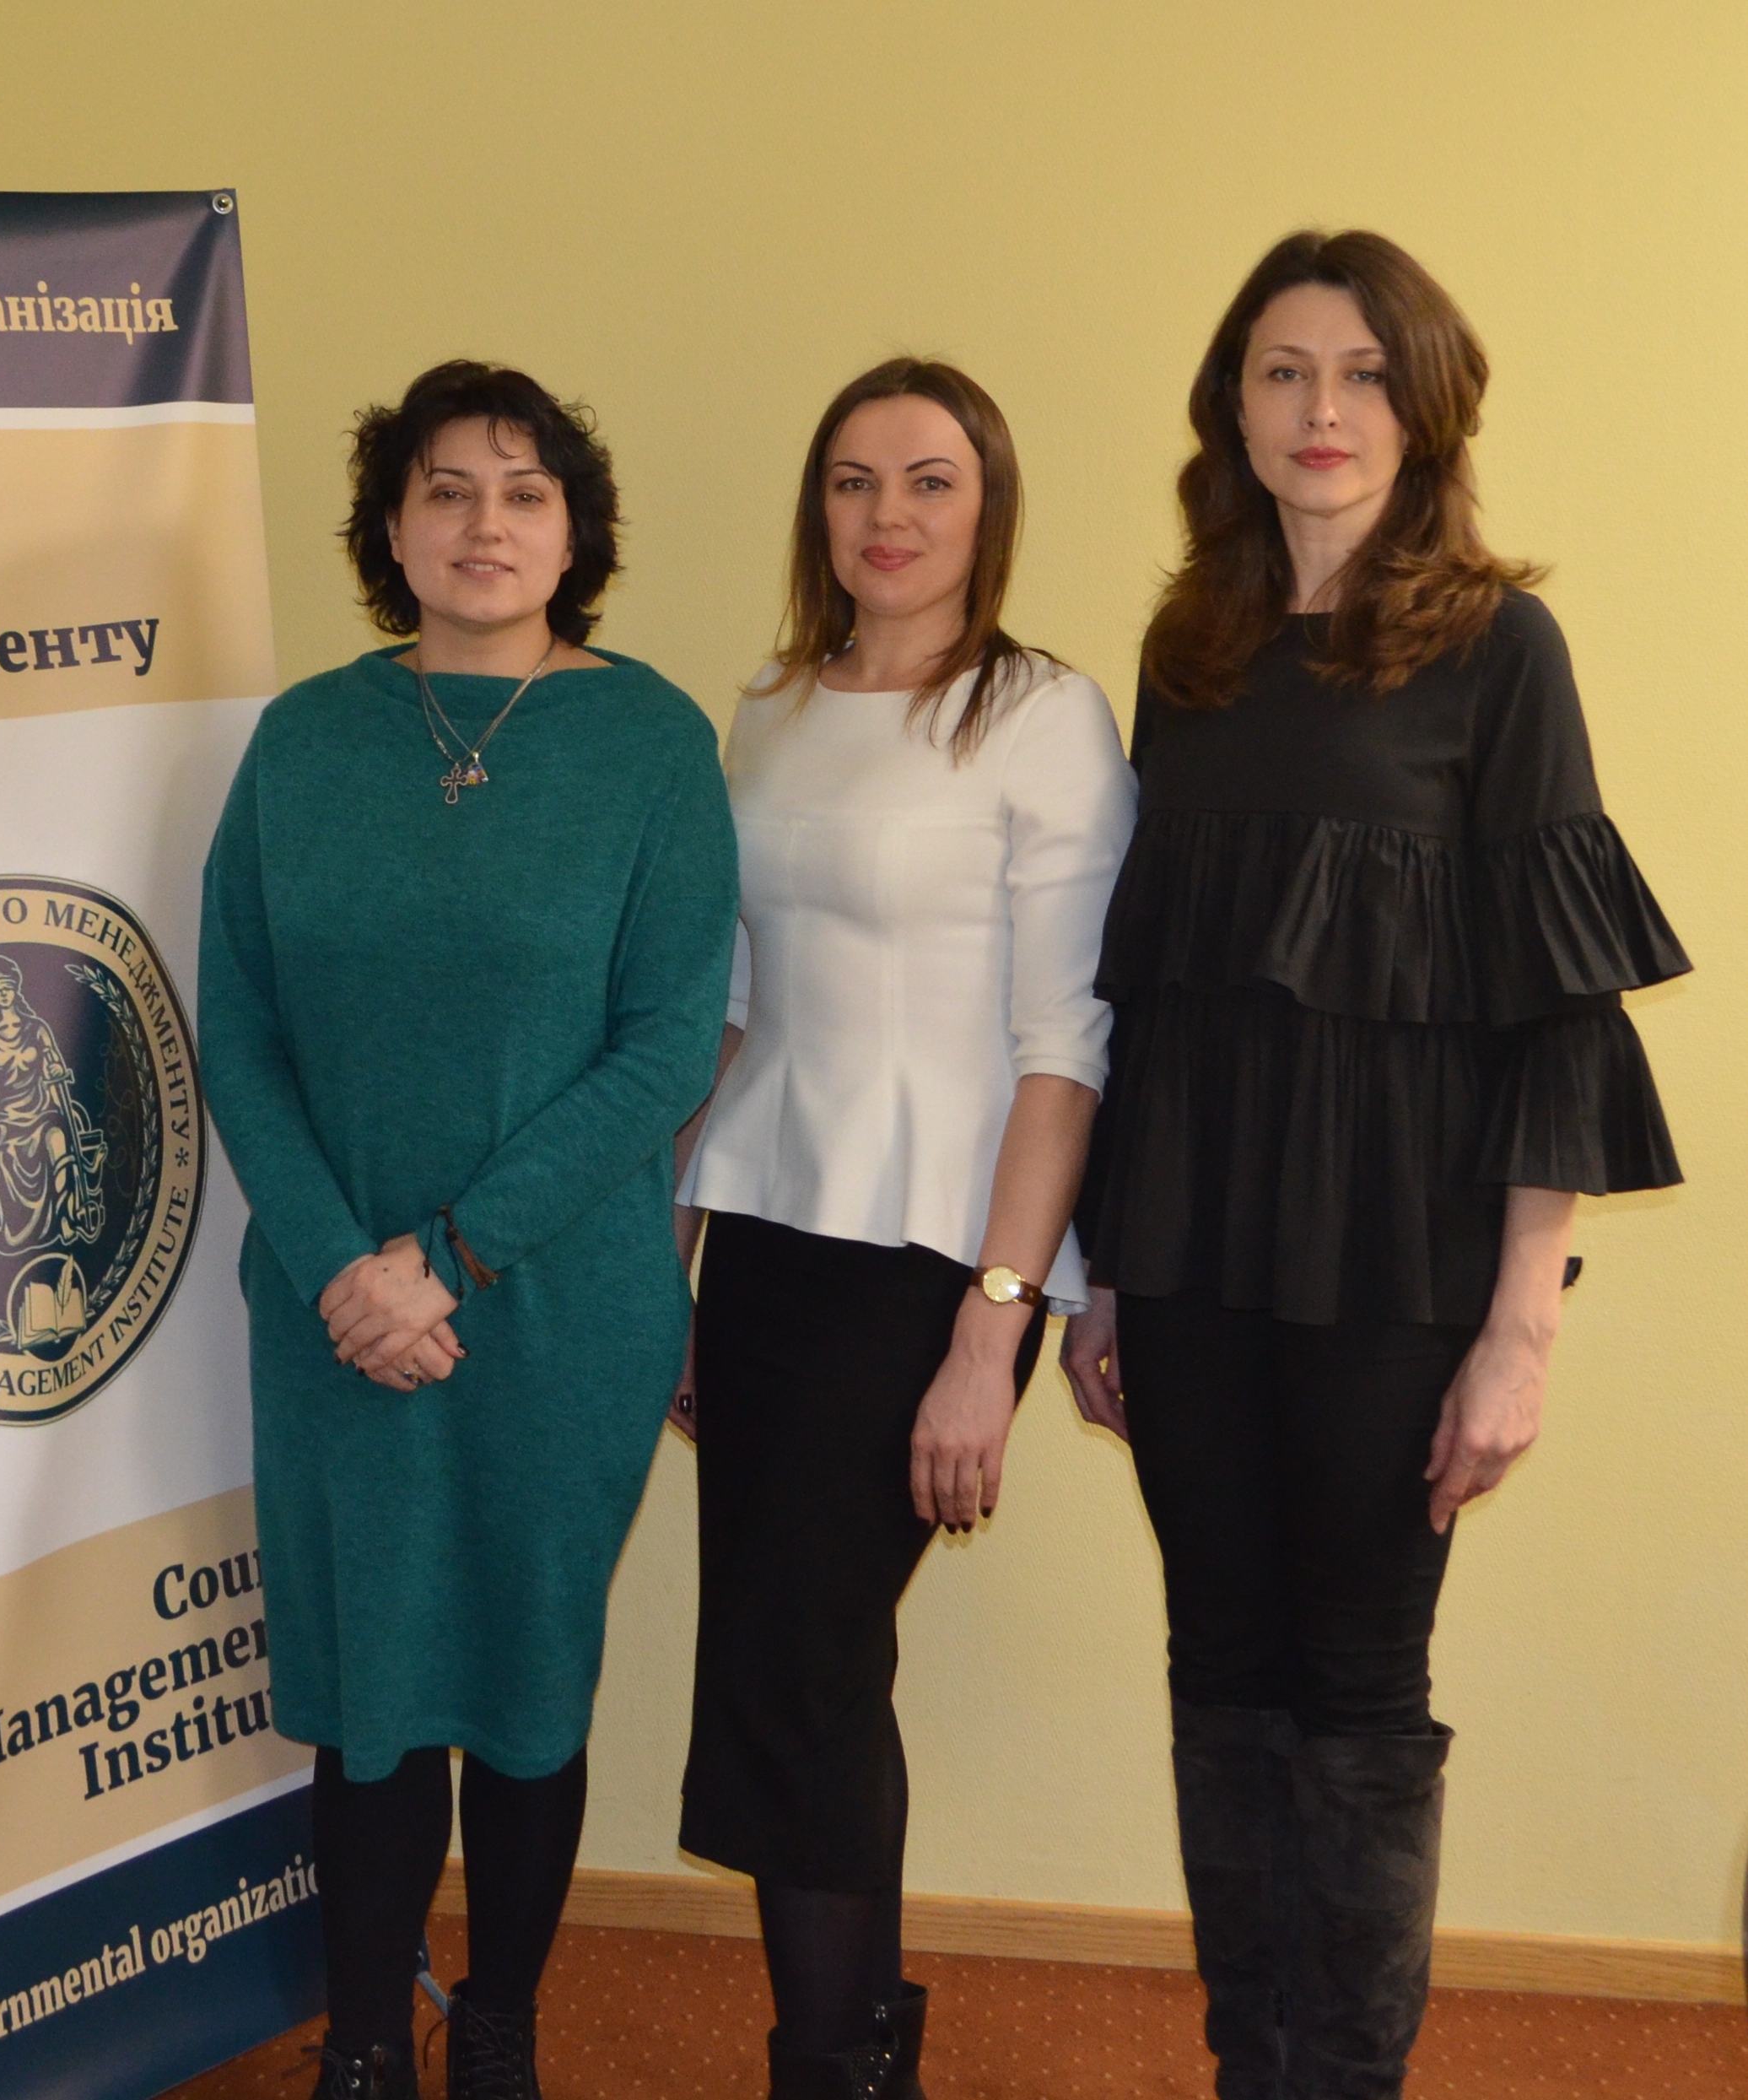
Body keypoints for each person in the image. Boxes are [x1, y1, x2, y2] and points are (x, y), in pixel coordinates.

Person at [1062, 229, 1686, 2098]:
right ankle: (1251, 2063)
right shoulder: (1189, 650)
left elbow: (1557, 1012)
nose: (1320, 411)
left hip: (1400, 1267)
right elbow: (1153, 986)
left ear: (1424, 409)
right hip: (1188, 1253)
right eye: (1283, 372)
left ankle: (1345, 2078)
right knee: (1216, 1665)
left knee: (1357, 1685)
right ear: (1232, 409)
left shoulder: (1501, 650)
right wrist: (1106, 1269)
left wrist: (1521, 1331)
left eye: (1359, 374)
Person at [199, 361, 739, 2100]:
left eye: (522, 491)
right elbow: (239, 1028)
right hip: (332, 1311)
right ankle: (366, 2039)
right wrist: (343, 1265)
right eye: (444, 488)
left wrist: (445, 1256)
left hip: (559, 1310)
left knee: (523, 1683)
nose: (483, 524)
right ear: (391, 529)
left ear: (575, 533)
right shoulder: (306, 738)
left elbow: (666, 1043)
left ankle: (497, 2024)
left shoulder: (655, 747)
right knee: (368, 1693)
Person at [673, 359, 1135, 2097]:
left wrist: (992, 1332)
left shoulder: (1042, 715)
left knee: (799, 1669)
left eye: (931, 480)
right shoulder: (774, 704)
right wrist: (669, 1266)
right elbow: (732, 1012)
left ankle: (835, 2063)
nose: (888, 515)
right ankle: (860, 2047)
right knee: (792, 1665)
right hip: (766, 1238)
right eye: (855, 480)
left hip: (936, 1257)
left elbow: (1065, 1044)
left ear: (987, 506)